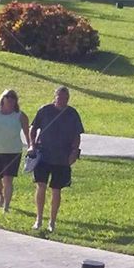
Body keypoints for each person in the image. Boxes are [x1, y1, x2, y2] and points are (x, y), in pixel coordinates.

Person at [29, 86, 83, 233]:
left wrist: (74, 153)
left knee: (56, 190)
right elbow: (33, 129)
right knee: (41, 185)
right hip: (43, 154)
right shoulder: (44, 111)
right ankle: (39, 219)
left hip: (62, 158)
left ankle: (52, 222)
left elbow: (77, 136)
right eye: (60, 97)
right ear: (55, 97)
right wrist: (32, 146)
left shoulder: (72, 114)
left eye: (65, 98)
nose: (62, 100)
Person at [0, 89, 30, 214]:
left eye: (13, 98)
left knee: (8, 179)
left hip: (13, 151)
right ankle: (0, 196)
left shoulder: (20, 115)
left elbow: (27, 133)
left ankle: (6, 206)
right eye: (7, 97)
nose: (10, 99)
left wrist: (31, 146)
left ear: (16, 101)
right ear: (2, 99)